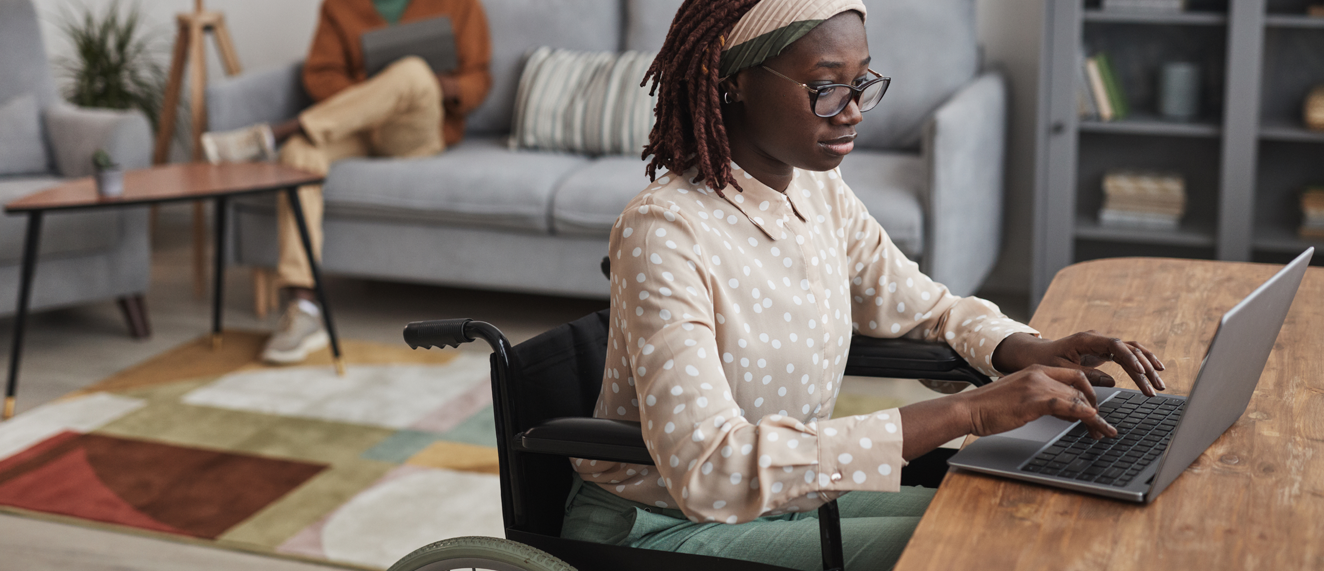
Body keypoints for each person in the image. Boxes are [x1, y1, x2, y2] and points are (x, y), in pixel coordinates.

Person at [559, 1, 1166, 569]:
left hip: (786, 500)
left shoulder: (815, 189)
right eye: (825, 87)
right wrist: (966, 412)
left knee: (1035, 508)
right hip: (664, 526)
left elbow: (925, 309)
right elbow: (710, 470)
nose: (850, 110)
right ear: (735, 81)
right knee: (998, 538)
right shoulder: (664, 230)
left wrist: (1022, 348)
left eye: (861, 83)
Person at [202, 0, 492, 364]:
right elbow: (320, 75)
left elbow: (478, 79)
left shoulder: (460, 4)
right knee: (298, 154)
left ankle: (276, 133)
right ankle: (303, 307)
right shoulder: (339, 6)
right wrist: (373, 92)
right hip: (357, 124)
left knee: (413, 72)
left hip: (415, 129)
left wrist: (434, 85)